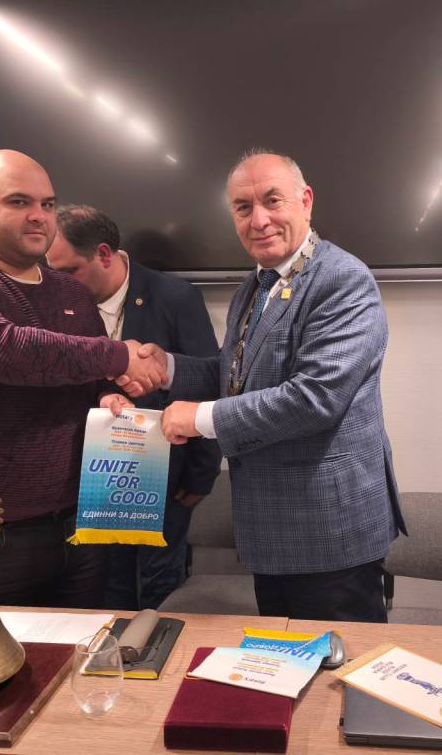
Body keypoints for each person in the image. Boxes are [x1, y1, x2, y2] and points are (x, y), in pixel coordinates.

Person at [128, 150, 406, 622]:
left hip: (328, 531)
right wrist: (166, 367)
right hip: (271, 530)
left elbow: (315, 398)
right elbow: (235, 374)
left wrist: (200, 418)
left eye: (272, 201)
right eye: (243, 207)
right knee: (282, 658)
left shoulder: (342, 279)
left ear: (306, 201)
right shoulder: (255, 285)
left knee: (338, 663)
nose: (258, 220)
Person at [0, 150, 165, 608]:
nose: (39, 216)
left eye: (48, 204)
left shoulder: (70, 291)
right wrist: (119, 354)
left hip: (79, 521)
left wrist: (109, 396)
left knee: (83, 645)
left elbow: (88, 377)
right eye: (18, 202)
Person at [48, 205, 222, 609]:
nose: (60, 283)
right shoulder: (58, 303)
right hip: (92, 483)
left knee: (162, 592)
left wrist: (201, 477)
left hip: (165, 482)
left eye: (69, 271)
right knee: (106, 589)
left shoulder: (175, 297)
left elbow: (209, 383)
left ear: (104, 255)